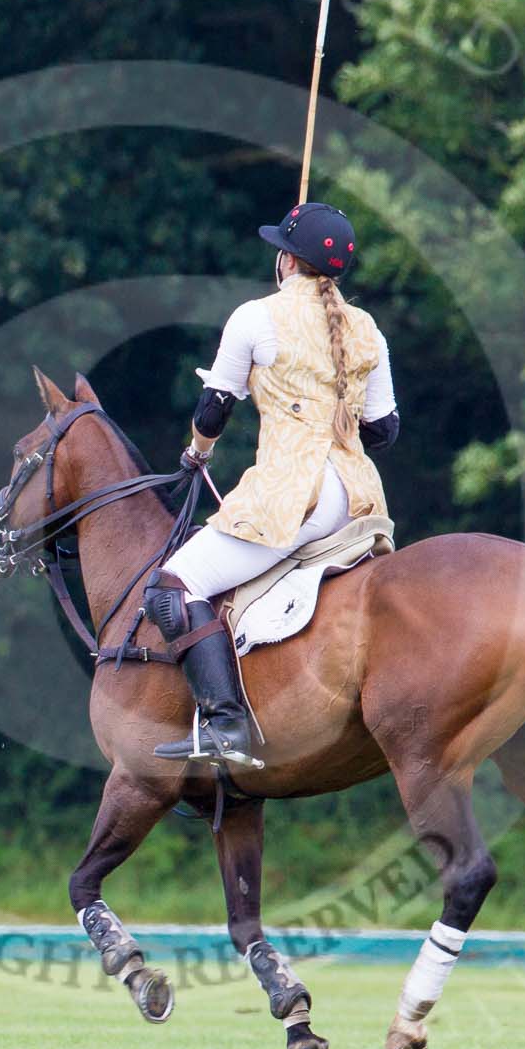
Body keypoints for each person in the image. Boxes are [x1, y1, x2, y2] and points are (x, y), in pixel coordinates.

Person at [144, 202, 400, 765]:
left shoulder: (255, 318)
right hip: (359, 501)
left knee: (174, 587)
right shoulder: (368, 330)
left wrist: (197, 454)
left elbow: (213, 410)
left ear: (286, 260)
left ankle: (225, 724)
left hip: (291, 499)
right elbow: (384, 431)